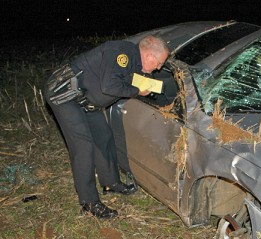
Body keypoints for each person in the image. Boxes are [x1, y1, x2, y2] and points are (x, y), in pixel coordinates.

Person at [44, 35, 169, 218]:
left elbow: (123, 81)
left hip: (86, 100)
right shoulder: (121, 53)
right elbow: (109, 86)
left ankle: (111, 183)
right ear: (150, 56)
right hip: (64, 95)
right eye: (159, 63)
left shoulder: (134, 63)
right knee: (83, 146)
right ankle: (89, 202)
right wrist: (136, 91)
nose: (158, 68)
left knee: (103, 136)